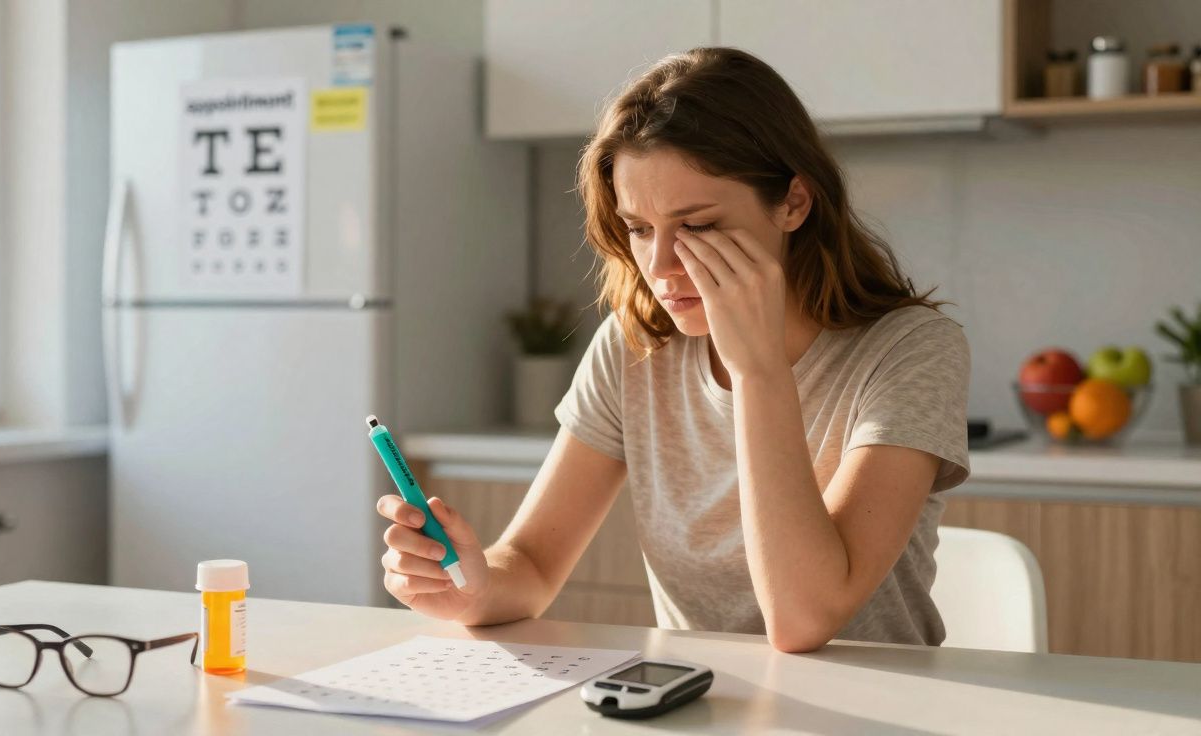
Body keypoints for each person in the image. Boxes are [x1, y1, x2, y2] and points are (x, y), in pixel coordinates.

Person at [375, 47, 970, 652]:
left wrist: (757, 370)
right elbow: (530, 562)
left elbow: (804, 620)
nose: (660, 266)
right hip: (695, 700)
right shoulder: (634, 345)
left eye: (699, 226)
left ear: (793, 203)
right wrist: (474, 589)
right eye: (638, 228)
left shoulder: (912, 350)